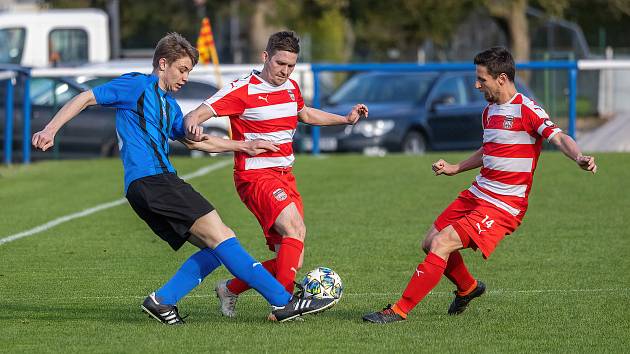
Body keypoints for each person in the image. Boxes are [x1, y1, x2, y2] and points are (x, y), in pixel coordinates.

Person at [31, 32, 336, 324]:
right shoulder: (135, 86)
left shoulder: (170, 107)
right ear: (163, 63)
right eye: (182, 70)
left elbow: (197, 142)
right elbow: (85, 97)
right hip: (154, 180)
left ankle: (162, 300)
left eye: (189, 71)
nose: (185, 78)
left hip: (148, 186)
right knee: (224, 238)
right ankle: (283, 301)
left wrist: (242, 145)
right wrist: (50, 129)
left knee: (215, 249)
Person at [362, 46, 597, 324]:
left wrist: (579, 156)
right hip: (478, 193)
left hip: (503, 205)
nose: (476, 84)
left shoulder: (527, 109)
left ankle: (399, 310)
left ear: (501, 79)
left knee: (441, 243)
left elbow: (559, 138)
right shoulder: (489, 112)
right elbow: (488, 150)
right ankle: (468, 287)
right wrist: (455, 168)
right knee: (428, 242)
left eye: (481, 79)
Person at [183, 31, 368, 318]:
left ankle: (230, 288)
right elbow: (197, 113)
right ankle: (282, 304)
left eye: (291, 66)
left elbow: (305, 114)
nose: (285, 71)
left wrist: (344, 118)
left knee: (292, 254)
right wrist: (193, 123)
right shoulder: (242, 89)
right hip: (255, 176)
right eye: (280, 63)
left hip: (284, 175)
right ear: (265, 56)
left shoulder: (292, 87)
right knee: (294, 228)